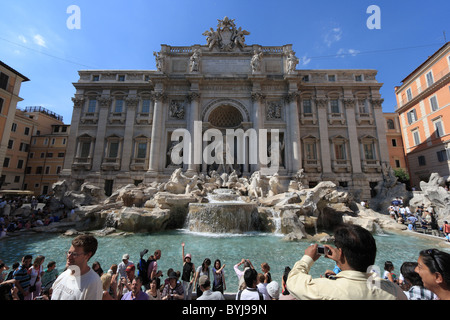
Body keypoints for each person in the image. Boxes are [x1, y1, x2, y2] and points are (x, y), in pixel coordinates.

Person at [286, 223, 407, 300]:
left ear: (341, 253)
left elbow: (293, 281)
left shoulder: (323, 290)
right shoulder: (394, 291)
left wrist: (307, 258)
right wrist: (341, 260)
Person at [51, 234, 103, 300]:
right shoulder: (64, 274)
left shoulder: (93, 283)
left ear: (87, 255)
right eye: (69, 252)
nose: (69, 257)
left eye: (74, 254)